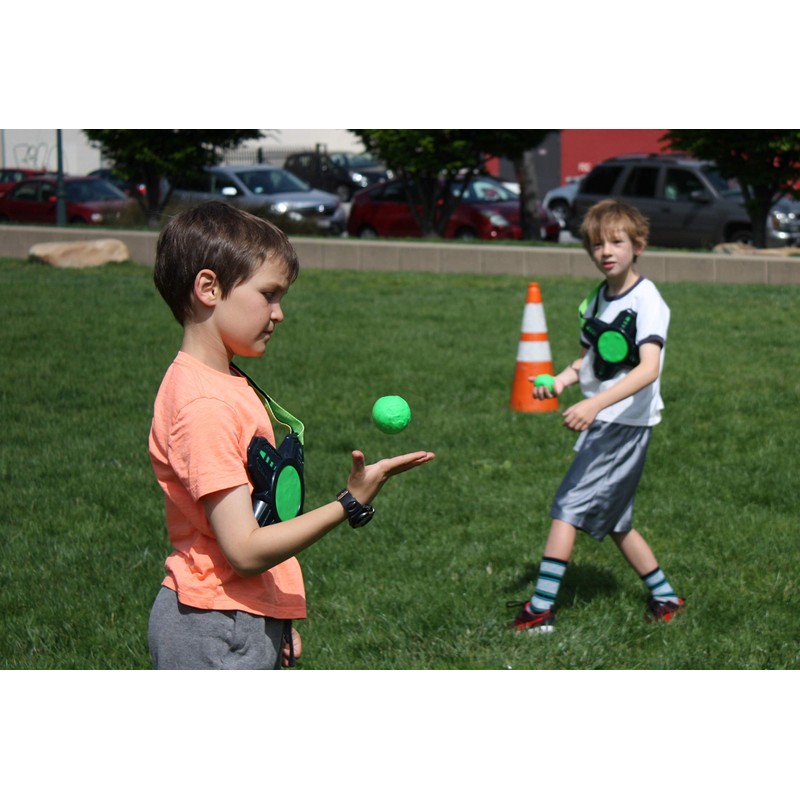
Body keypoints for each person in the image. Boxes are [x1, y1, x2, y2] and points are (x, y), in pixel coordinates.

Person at [147, 201, 435, 668]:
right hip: (213, 628)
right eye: (269, 294)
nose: (279, 313)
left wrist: (274, 622)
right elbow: (242, 549)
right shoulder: (205, 407)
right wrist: (349, 502)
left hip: (239, 618)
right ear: (208, 288)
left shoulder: (226, 383)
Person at [509, 198, 684, 633]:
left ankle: (540, 609)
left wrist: (594, 405)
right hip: (608, 420)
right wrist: (563, 382)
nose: (606, 251)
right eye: (597, 244)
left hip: (622, 424)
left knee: (567, 507)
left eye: (617, 242)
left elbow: (649, 368)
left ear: (638, 245)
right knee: (617, 521)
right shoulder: (598, 299)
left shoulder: (648, 300)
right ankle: (666, 597)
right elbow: (589, 360)